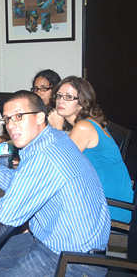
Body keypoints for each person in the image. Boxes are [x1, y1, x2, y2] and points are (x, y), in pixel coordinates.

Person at [0, 90, 110, 276]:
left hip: (75, 261)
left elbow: (7, 214)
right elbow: (23, 184)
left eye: (19, 116)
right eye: (7, 119)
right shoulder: (52, 138)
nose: (11, 125)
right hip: (51, 240)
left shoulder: (44, 155)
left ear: (40, 117)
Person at [50, 76, 134, 223]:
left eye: (69, 97)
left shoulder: (83, 127)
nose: (61, 101)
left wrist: (56, 128)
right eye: (59, 96)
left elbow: (59, 166)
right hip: (108, 198)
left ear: (82, 103)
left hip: (110, 208)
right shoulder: (86, 124)